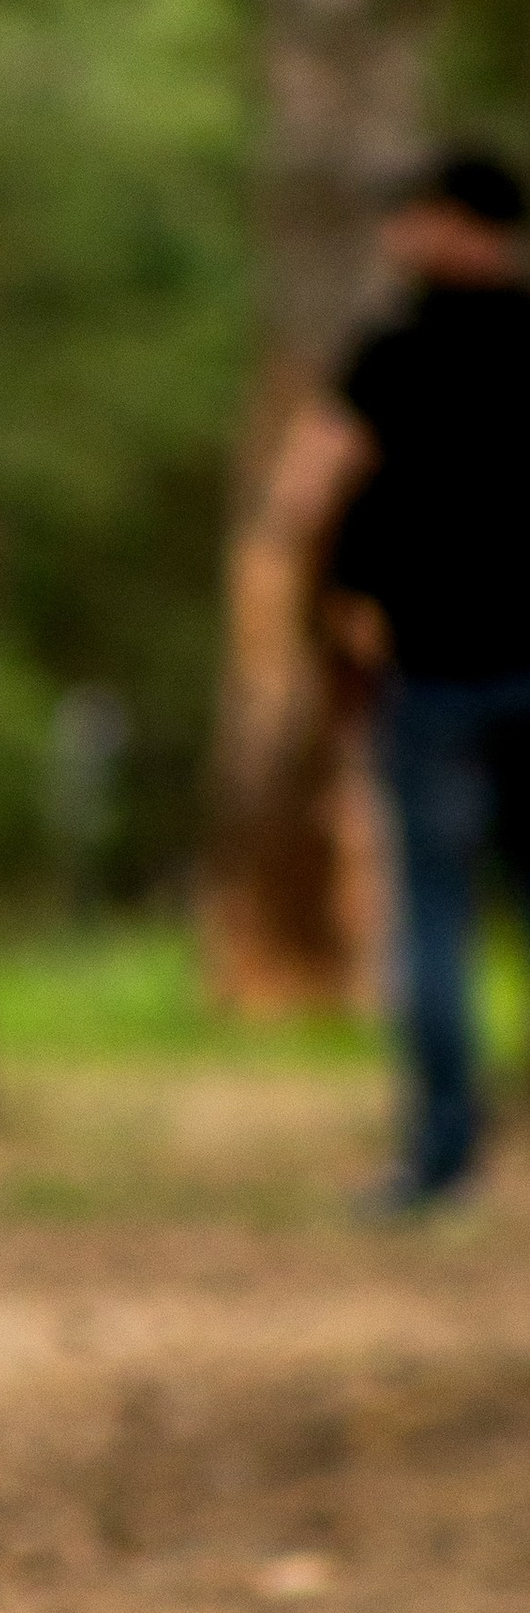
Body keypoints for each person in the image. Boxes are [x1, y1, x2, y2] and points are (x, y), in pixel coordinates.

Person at [266, 148, 530, 1209]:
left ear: (462, 224)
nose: (398, 239)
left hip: (428, 676)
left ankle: (438, 1155)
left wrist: (320, 617)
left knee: (430, 916)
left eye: (416, 218)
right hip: (470, 670)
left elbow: (302, 496)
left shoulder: (391, 354)